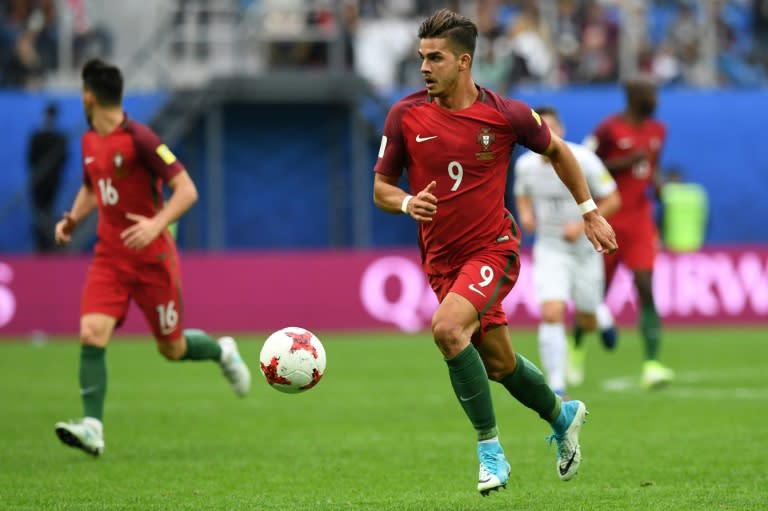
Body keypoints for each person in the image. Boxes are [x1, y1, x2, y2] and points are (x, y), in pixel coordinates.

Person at [372, 9, 617, 495]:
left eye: (435, 58)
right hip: (441, 262)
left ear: (464, 62)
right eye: (421, 57)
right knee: (500, 364)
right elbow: (380, 187)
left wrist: (589, 210)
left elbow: (560, 152)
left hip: (492, 250)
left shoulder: (505, 115)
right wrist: (406, 202)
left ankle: (490, 451)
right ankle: (562, 415)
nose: (424, 67)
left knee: (446, 330)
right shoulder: (405, 115)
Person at [53, 59, 251, 457]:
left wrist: (155, 224)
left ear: (88, 96)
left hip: (151, 261)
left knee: (172, 349)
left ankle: (222, 351)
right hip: (108, 258)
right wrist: (73, 219)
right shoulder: (90, 141)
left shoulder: (141, 139)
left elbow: (186, 189)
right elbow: (94, 187)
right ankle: (92, 426)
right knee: (92, 332)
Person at [514, 106, 621, 395]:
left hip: (586, 249)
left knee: (585, 318)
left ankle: (601, 316)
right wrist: (525, 215)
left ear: (560, 131)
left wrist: (584, 223)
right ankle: (557, 384)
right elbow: (521, 194)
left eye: (549, 130)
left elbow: (613, 198)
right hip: (550, 247)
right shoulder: (525, 166)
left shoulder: (584, 159)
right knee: (552, 311)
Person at [586, 76, 674, 389]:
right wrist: (624, 162)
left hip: (639, 220)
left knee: (645, 285)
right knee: (594, 294)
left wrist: (657, 184)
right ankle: (575, 349)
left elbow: (652, 167)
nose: (656, 99)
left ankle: (652, 364)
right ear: (635, 96)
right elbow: (587, 163)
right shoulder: (609, 128)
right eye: (651, 93)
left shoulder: (658, 131)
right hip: (609, 219)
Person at [27, 102, 68, 253]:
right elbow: (31, 159)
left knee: (47, 213)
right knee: (41, 214)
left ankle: (47, 245)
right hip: (41, 184)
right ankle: (42, 245)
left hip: (49, 184)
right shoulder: (38, 137)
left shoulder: (57, 138)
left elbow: (63, 159)